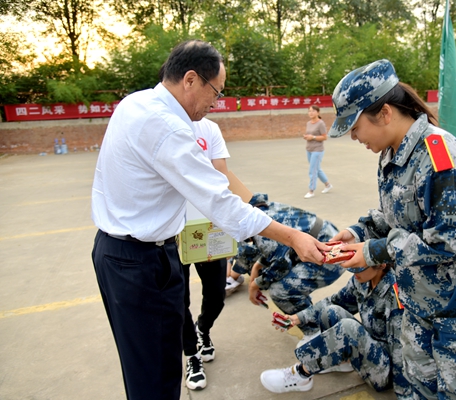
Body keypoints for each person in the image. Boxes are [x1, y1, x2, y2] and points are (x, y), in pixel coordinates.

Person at [90, 40, 328, 400]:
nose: (216, 102)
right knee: (155, 375)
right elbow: (222, 203)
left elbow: (220, 182)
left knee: (149, 362)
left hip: (129, 251)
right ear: (190, 79)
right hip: (138, 262)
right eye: (216, 92)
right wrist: (293, 237)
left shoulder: (135, 103)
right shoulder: (167, 127)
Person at [326, 59, 456, 399]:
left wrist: (373, 251)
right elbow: (399, 215)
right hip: (421, 296)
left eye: (354, 127)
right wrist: (358, 232)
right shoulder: (392, 153)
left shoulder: (439, 157)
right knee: (418, 382)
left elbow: (448, 239)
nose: (354, 136)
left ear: (384, 113)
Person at [260, 263, 409, 397]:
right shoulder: (363, 279)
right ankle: (341, 362)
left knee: (348, 328)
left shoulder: (396, 294)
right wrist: (296, 318)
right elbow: (335, 301)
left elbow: (400, 349)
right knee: (331, 311)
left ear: (382, 265)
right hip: (369, 352)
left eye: (359, 266)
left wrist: (403, 394)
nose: (354, 271)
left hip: (384, 372)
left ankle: (301, 374)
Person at [232, 193, 345, 339]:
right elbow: (278, 249)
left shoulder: (258, 229)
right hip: (327, 241)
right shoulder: (263, 210)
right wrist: (257, 267)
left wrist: (256, 284)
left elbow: (281, 265)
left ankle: (315, 333)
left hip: (327, 257)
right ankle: (307, 311)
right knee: (285, 282)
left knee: (281, 291)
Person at [181, 117, 230, 390]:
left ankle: (203, 328)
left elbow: (220, 173)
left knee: (216, 292)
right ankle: (191, 354)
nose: (215, 101)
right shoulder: (162, 122)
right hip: (172, 229)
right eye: (214, 95)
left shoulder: (209, 128)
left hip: (206, 225)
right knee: (179, 298)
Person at [303, 105, 333, 199]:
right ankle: (328, 185)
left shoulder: (321, 123)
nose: (311, 113)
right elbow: (309, 134)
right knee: (317, 169)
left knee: (312, 170)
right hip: (309, 149)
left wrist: (313, 137)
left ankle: (311, 191)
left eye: (313, 111)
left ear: (318, 112)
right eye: (309, 111)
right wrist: (307, 136)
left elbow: (325, 137)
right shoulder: (308, 123)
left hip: (318, 150)